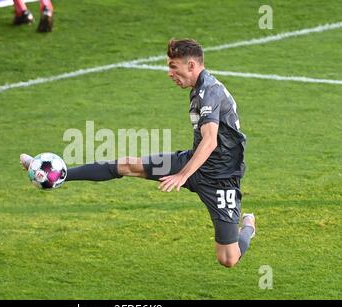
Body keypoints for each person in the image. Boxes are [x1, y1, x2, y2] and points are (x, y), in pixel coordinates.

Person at [20, 39, 256, 268]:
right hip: (192, 162)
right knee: (127, 165)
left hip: (220, 179)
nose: (169, 73)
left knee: (228, 258)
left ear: (191, 65)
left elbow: (211, 140)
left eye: (173, 67)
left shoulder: (210, 92)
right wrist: (184, 171)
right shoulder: (198, 89)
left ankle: (249, 227)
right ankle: (57, 175)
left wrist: (183, 176)